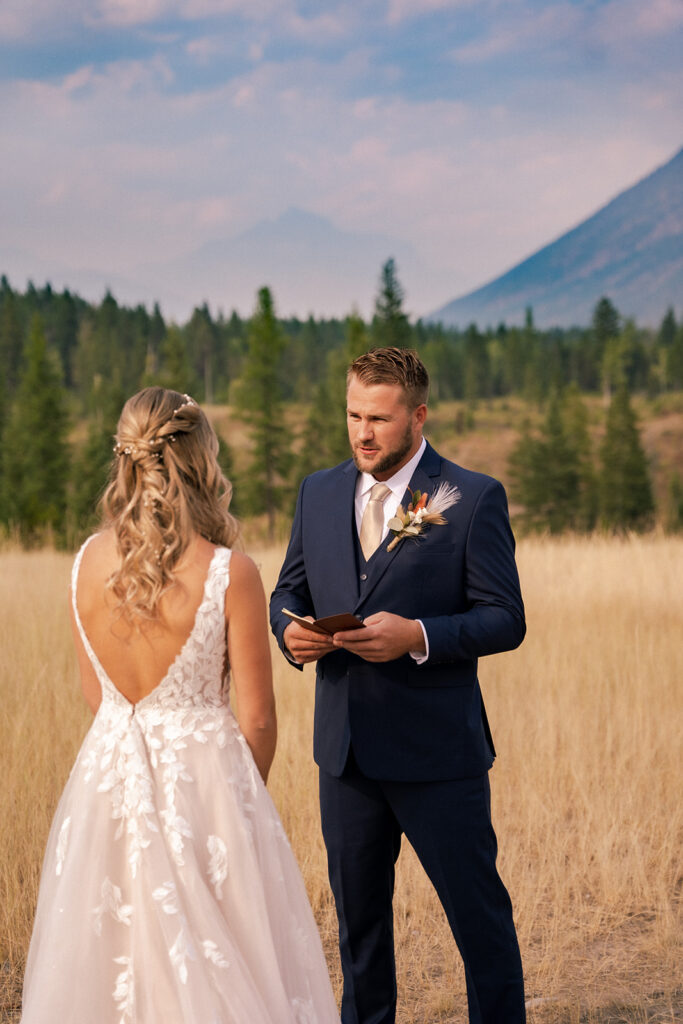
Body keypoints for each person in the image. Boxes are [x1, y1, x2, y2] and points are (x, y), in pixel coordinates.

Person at [21, 387, 340, 1024]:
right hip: (206, 787)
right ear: (202, 460)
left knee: (116, 957)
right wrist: (238, 807)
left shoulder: (85, 560)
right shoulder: (229, 571)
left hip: (107, 783)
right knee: (226, 959)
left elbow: (96, 697)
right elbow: (256, 717)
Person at [270, 347, 527, 1024]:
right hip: (345, 754)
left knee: (479, 924)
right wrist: (289, 635)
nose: (361, 433)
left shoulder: (470, 498)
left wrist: (416, 635)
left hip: (438, 755)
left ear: (417, 416)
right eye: (353, 415)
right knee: (359, 934)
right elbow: (287, 589)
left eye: (378, 419)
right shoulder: (318, 491)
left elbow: (505, 618)